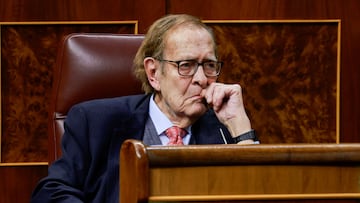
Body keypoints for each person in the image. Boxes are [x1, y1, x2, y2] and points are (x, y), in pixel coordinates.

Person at [31, 14, 258, 203]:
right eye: (186, 65)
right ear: (153, 73)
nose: (201, 78)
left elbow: (261, 195)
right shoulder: (96, 122)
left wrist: (242, 131)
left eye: (209, 65)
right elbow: (51, 193)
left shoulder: (226, 127)